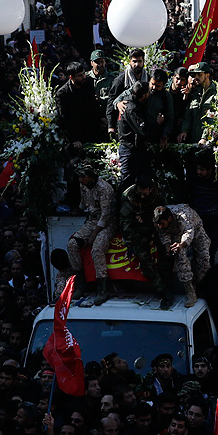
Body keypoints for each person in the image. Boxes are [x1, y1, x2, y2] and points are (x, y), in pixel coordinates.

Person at [66, 164, 115, 305]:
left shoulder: (104, 188)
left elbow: (105, 216)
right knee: (72, 244)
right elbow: (84, 203)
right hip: (92, 220)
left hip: (107, 223)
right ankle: (81, 283)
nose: (80, 179)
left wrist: (93, 235)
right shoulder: (84, 185)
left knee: (97, 248)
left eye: (83, 176)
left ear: (90, 176)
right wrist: (77, 210)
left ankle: (102, 288)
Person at [119, 175, 167, 306]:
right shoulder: (128, 195)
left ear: (150, 189)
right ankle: (160, 287)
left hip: (158, 223)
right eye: (139, 193)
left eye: (144, 194)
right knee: (142, 254)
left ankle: (167, 284)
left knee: (164, 250)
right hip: (139, 225)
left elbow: (165, 213)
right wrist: (129, 241)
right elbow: (125, 221)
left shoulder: (158, 192)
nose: (141, 196)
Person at [153, 204, 211, 308]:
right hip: (176, 233)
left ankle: (199, 284)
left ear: (169, 219)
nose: (160, 226)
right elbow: (163, 233)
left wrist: (182, 244)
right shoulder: (158, 220)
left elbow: (189, 232)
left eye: (162, 223)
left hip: (195, 229)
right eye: (158, 224)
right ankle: (190, 292)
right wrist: (167, 245)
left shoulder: (184, 216)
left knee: (204, 258)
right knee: (180, 257)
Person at [116, 81, 156, 190]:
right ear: (144, 95)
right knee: (127, 181)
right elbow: (143, 129)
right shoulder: (131, 109)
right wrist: (156, 123)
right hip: (130, 149)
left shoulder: (130, 102)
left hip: (137, 148)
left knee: (147, 177)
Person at [56, 61, 101, 144]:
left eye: (84, 74)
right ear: (71, 77)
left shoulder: (88, 83)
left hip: (93, 129)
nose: (84, 77)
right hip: (77, 133)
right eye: (80, 75)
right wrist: (74, 139)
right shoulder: (62, 94)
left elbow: (94, 105)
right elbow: (64, 119)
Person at [178, 62, 217, 144]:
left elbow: (213, 120)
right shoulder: (195, 93)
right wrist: (184, 131)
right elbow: (188, 115)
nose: (196, 77)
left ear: (207, 75)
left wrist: (205, 137)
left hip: (208, 141)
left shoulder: (216, 93)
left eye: (200, 75)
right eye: (196, 75)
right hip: (193, 139)